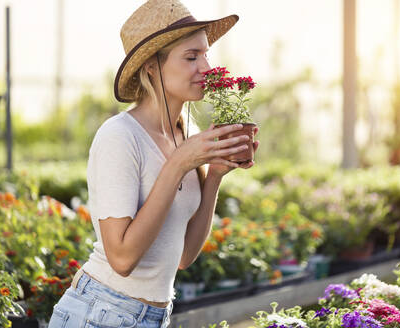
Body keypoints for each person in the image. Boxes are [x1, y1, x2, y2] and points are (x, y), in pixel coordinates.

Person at [47, 0, 259, 327]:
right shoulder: (120, 137)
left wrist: (215, 174)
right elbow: (121, 259)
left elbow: (185, 256)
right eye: (191, 57)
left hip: (155, 316)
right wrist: (177, 164)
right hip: (101, 312)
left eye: (206, 54)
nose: (205, 67)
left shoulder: (186, 134)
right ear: (151, 66)